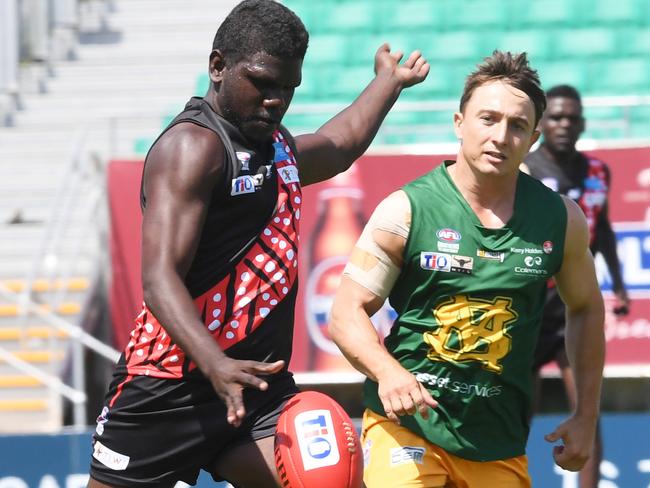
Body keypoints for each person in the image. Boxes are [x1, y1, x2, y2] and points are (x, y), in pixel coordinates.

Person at [87, 1, 430, 486]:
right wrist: (216, 364)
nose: (276, 101)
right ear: (218, 66)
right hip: (166, 391)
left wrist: (387, 83)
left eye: (288, 89)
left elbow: (339, 145)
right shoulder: (193, 148)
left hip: (255, 388)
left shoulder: (276, 147)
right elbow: (158, 278)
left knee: (332, 478)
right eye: (263, 84)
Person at [329, 51, 605, 488]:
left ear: (534, 136)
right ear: (460, 122)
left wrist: (586, 414)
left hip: (498, 443)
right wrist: (388, 372)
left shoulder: (561, 219)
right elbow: (346, 313)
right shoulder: (406, 210)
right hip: (407, 428)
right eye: (488, 119)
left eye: (517, 125)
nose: (500, 135)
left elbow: (587, 308)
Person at [523, 84, 629, 488]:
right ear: (542, 123)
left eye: (571, 117)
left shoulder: (599, 171)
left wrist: (618, 285)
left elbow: (602, 228)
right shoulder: (524, 170)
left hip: (574, 306)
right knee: (517, 413)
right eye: (556, 117)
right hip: (530, 306)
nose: (564, 124)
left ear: (582, 123)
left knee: (586, 408)